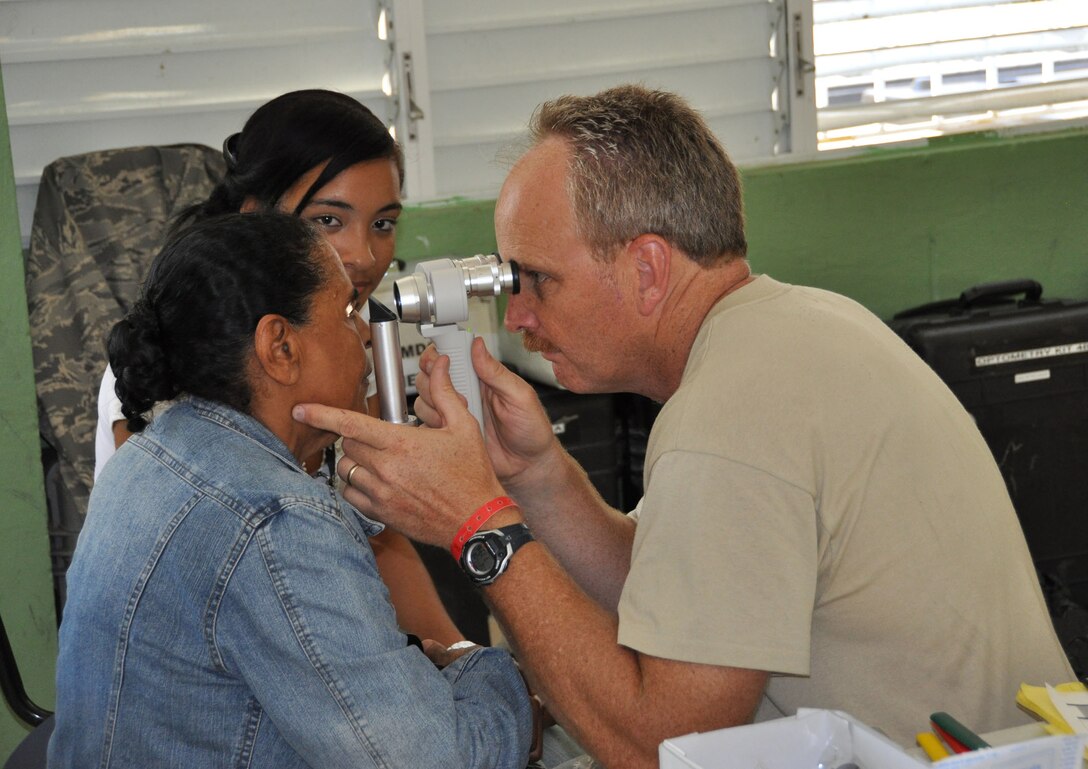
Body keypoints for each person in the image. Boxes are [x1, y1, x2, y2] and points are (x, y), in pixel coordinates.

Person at [293, 84, 1075, 768]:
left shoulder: (732, 411)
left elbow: (659, 745)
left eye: (537, 280)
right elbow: (703, 600)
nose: (520, 315)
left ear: (647, 268)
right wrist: (539, 480)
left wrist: (479, 525)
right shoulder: (797, 327)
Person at [49, 213, 533, 769]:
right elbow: (447, 761)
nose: (366, 341)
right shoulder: (277, 520)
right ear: (280, 346)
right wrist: (497, 682)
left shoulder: (151, 453)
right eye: (350, 313)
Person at [92, 89, 467, 646]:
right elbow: (208, 583)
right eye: (327, 221)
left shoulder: (342, 351)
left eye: (383, 224)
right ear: (254, 217)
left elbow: (377, 536)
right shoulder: (176, 368)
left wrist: (457, 652)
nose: (363, 255)